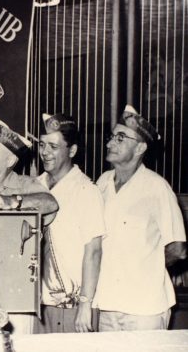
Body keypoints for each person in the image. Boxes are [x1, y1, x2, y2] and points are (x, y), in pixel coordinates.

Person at [95, 104, 187, 331]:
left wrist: (144, 267)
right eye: (111, 137)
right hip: (107, 303)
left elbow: (178, 248)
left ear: (140, 148)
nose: (109, 143)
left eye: (120, 138)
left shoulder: (157, 188)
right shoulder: (102, 183)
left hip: (145, 307)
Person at [0, 117, 59, 334]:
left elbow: (51, 203)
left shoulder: (25, 185)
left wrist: (12, 201)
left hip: (16, 294)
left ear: (10, 161)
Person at [34, 112, 104, 333]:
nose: (45, 152)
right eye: (42, 145)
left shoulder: (86, 191)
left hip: (72, 307)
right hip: (37, 304)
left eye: (53, 147)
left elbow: (93, 251)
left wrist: (85, 305)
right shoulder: (33, 186)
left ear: (72, 151)